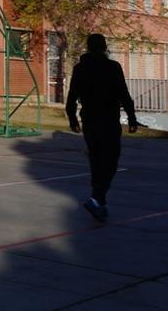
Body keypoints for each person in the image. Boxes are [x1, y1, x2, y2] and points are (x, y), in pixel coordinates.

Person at [66, 34, 138, 222]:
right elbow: (124, 93)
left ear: (88, 47)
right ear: (104, 47)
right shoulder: (112, 67)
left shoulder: (80, 69)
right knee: (111, 160)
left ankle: (100, 202)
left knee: (96, 160)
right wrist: (131, 117)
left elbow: (72, 96)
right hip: (109, 120)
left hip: (89, 120)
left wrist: (72, 119)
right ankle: (97, 197)